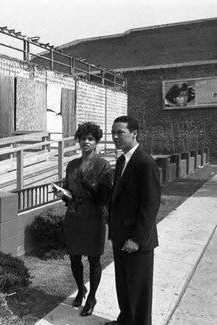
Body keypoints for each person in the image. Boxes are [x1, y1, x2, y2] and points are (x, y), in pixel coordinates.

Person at [106, 116, 161, 325]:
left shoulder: (145, 163)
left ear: (134, 133)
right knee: (124, 284)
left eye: (120, 132)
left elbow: (150, 205)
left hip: (137, 240)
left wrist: (137, 239)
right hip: (120, 235)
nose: (116, 136)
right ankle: (125, 320)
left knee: (139, 290)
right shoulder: (121, 161)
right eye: (113, 132)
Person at [55, 122, 112, 317]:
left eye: (90, 139)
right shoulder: (71, 165)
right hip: (73, 216)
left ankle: (92, 297)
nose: (86, 142)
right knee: (74, 257)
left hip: (94, 217)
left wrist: (88, 184)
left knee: (94, 259)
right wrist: (62, 194)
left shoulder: (103, 165)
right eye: (83, 138)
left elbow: (103, 197)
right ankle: (81, 289)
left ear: (96, 142)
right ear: (78, 141)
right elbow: (69, 192)